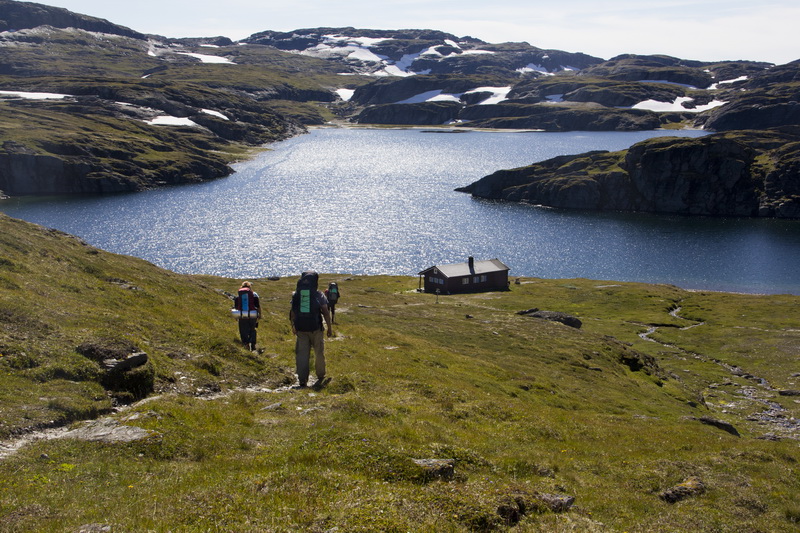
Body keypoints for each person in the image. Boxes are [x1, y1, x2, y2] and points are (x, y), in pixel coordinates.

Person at [289, 271, 332, 388]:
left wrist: (293, 326)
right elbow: (326, 313)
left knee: (302, 354)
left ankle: (302, 380)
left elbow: (293, 312)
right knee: (319, 352)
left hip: (301, 329)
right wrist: (329, 328)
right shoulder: (318, 294)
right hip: (316, 328)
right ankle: (320, 375)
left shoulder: (296, 294)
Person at [234, 281, 260, 351]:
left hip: (242, 314)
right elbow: (257, 306)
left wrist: (236, 316)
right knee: (252, 329)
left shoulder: (239, 296)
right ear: (250, 287)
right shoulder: (254, 295)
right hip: (253, 314)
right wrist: (259, 315)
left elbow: (236, 307)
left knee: (243, 330)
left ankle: (246, 344)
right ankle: (253, 345)